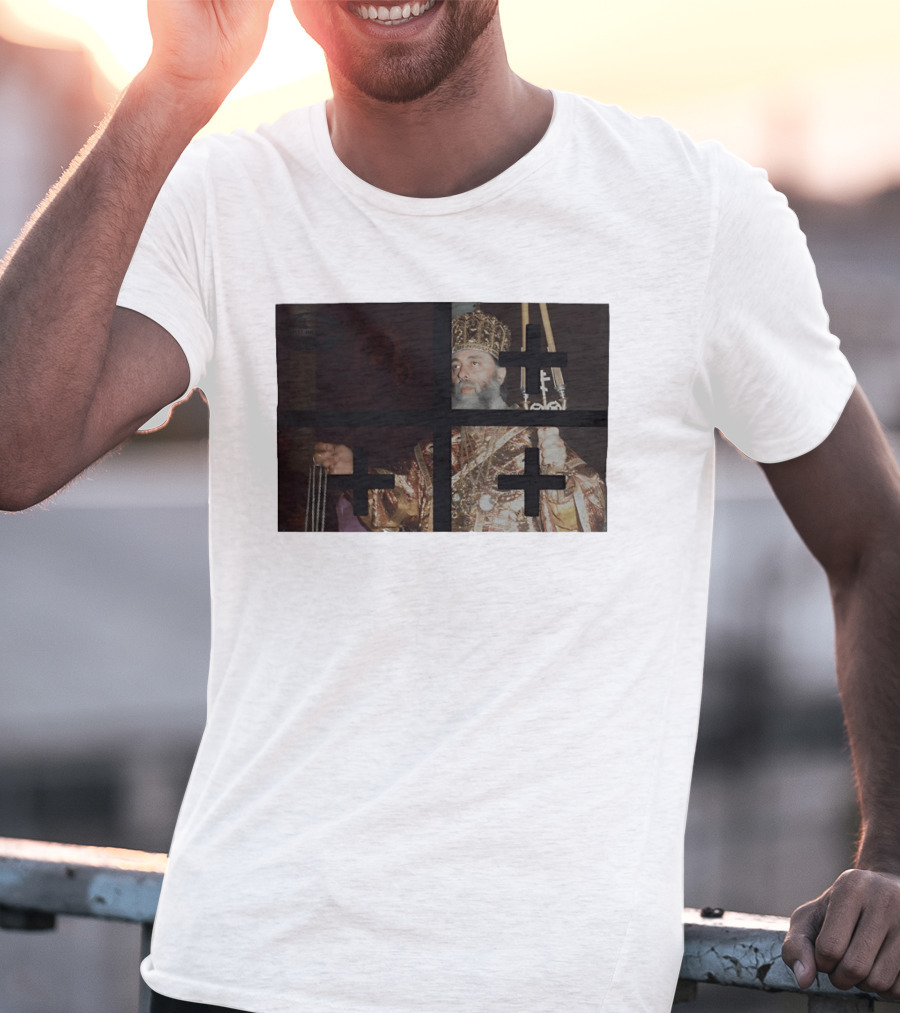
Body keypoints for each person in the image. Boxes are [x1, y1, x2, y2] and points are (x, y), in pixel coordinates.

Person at [1, 1, 899, 1010]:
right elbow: (14, 447)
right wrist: (170, 91)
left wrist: (894, 851)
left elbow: (875, 537)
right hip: (242, 970)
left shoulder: (692, 213)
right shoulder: (223, 198)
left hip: (555, 986)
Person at [314, 306, 608, 531]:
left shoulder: (533, 436)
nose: (461, 374)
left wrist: (557, 474)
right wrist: (355, 469)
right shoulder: (437, 446)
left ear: (501, 373)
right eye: (455, 365)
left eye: (474, 363)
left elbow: (585, 514)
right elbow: (400, 501)